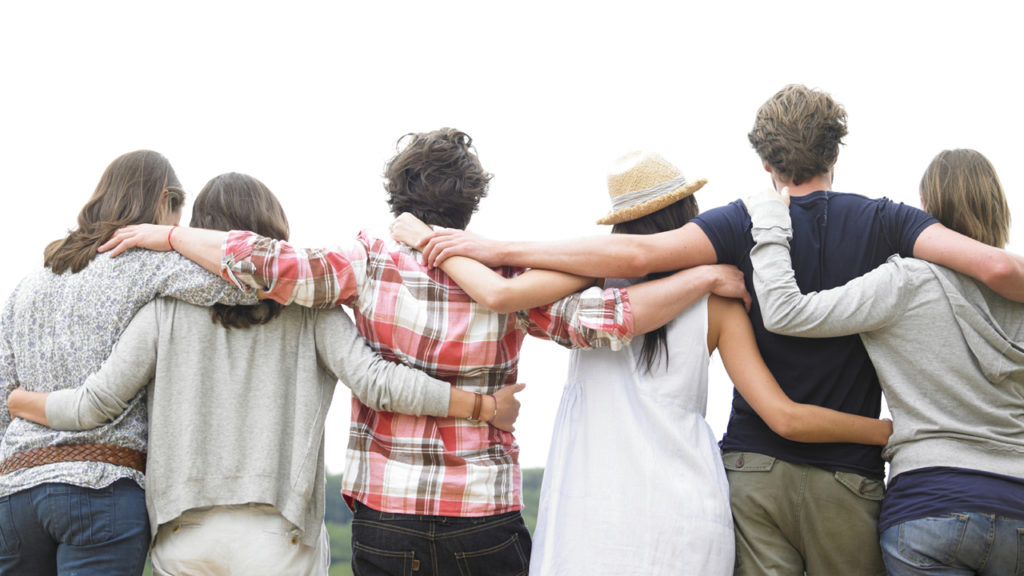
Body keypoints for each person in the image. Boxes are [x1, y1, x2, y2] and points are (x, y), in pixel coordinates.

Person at [407, 86, 1024, 574]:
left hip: (699, 490)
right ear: (837, 152)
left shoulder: (721, 233)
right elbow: (994, 266)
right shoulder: (885, 223)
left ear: (764, 161)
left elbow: (625, 264)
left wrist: (485, 243)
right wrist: (896, 431)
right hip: (822, 482)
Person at [95, 129, 739, 575]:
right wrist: (703, 275)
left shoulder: (368, 259)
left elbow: (266, 263)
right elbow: (610, 320)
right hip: (483, 512)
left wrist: (173, 237)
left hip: (387, 515)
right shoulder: (511, 275)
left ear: (398, 198)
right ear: (472, 200)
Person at [389, 150, 894, 575]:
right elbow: (783, 416)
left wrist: (422, 235)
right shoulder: (717, 298)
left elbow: (498, 292)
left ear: (620, 227)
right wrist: (887, 431)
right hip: (687, 519)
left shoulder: (584, 288)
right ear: (689, 215)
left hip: (588, 517)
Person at [7, 172, 524, 576]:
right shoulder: (311, 312)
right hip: (280, 538)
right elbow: (377, 382)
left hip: (184, 535)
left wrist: (16, 401)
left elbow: (96, 402)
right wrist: (481, 406)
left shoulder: (162, 311)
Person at [744, 149, 1024, 576]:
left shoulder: (905, 282)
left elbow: (786, 311)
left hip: (930, 507)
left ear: (926, 211)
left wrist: (768, 218)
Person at [0, 151, 258, 576]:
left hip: (15, 493)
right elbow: (252, 280)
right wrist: (174, 241)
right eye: (178, 214)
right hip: (100, 488)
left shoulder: (30, 283)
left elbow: (3, 396)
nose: (179, 226)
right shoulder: (145, 264)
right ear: (163, 201)